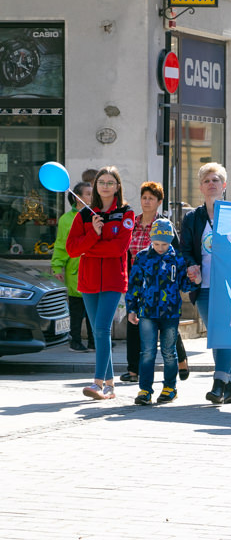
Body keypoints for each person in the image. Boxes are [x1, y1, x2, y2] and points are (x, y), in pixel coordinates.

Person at [66, 166, 134, 400]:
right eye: (101, 182)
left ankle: (97, 383)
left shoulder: (126, 213)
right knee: (98, 330)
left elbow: (119, 249)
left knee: (102, 330)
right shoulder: (84, 215)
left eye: (110, 182)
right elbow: (72, 249)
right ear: (95, 186)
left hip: (114, 280)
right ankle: (111, 387)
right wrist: (93, 235)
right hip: (88, 281)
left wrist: (89, 249)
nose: (105, 186)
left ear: (117, 187)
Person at [181, 162, 231, 405]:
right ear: (201, 187)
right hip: (204, 285)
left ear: (224, 185)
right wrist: (191, 265)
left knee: (223, 333)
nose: (211, 184)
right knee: (217, 334)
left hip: (228, 286)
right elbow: (185, 249)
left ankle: (218, 383)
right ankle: (230, 385)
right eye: (206, 181)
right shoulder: (192, 218)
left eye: (215, 180)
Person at [121, 181, 189, 384]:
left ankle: (181, 361)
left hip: (163, 284)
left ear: (159, 201)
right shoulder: (132, 222)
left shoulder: (164, 225)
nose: (147, 201)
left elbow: (176, 255)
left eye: (151, 198)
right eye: (144, 197)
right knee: (133, 324)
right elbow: (125, 249)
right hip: (139, 279)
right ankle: (133, 370)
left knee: (168, 328)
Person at [127, 219, 198, 405]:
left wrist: (194, 280)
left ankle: (169, 387)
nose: (160, 247)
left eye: (164, 244)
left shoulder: (178, 259)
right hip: (147, 312)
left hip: (170, 313)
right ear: (151, 240)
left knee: (169, 351)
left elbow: (184, 284)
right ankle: (145, 390)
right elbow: (134, 284)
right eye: (156, 243)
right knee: (147, 352)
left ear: (171, 241)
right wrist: (131, 308)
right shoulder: (142, 257)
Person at [51, 181, 94, 352]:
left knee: (94, 311)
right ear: (77, 198)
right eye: (88, 194)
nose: (92, 197)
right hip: (75, 271)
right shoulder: (66, 219)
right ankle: (75, 341)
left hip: (93, 269)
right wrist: (57, 268)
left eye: (92, 193)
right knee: (77, 310)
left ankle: (94, 341)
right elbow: (61, 245)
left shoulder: (94, 215)